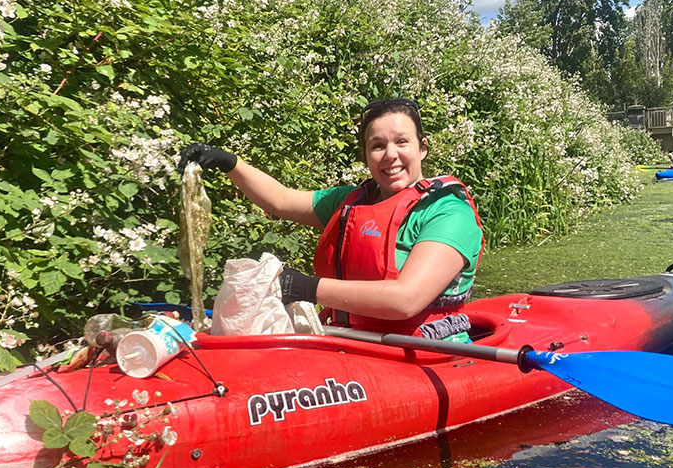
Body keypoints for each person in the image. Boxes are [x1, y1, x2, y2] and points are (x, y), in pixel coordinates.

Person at [177, 98, 484, 340]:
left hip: (423, 348)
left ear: (422, 148)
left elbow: (406, 299)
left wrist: (302, 286)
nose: (390, 154)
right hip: (347, 339)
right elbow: (281, 200)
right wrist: (229, 163)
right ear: (365, 155)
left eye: (402, 142)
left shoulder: (449, 211)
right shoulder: (349, 202)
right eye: (377, 146)